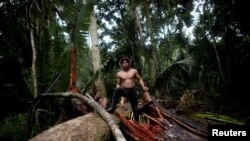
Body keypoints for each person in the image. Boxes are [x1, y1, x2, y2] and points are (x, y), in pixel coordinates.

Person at [106, 56, 149, 121]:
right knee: (117, 90)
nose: (125, 63)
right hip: (124, 91)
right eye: (123, 62)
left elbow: (139, 79)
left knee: (135, 108)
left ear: (129, 63)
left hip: (132, 91)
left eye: (126, 62)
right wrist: (117, 88)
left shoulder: (133, 71)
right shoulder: (119, 74)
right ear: (121, 64)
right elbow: (118, 83)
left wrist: (143, 86)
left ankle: (137, 121)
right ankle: (112, 107)